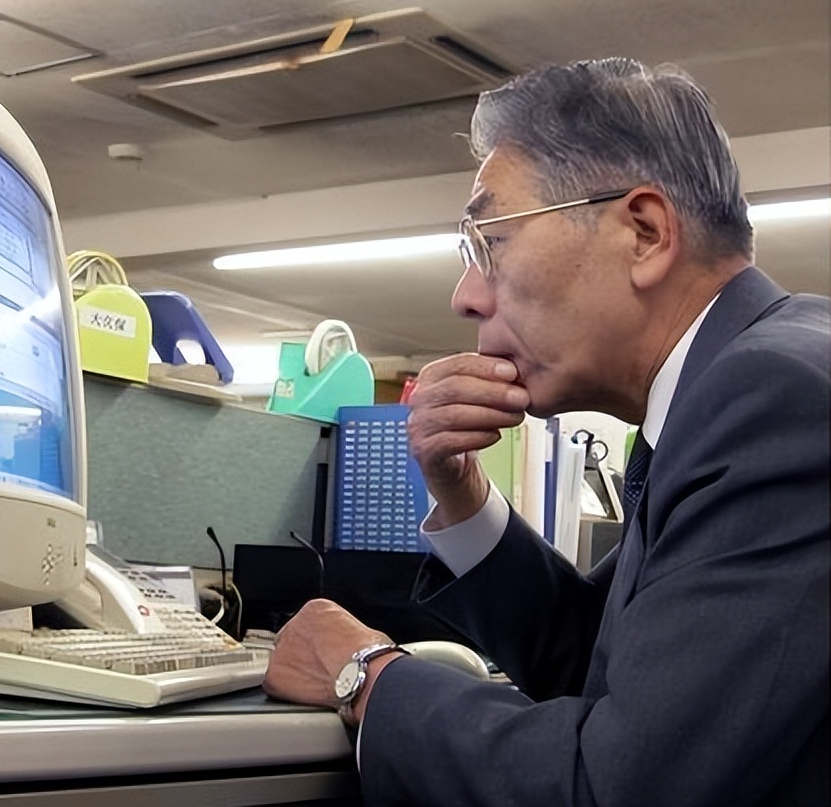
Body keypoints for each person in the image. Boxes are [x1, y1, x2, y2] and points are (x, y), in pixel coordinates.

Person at [262, 58, 829, 807]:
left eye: (489, 242)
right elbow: (604, 658)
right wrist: (461, 496)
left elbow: (620, 787)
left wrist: (365, 674)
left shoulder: (771, 399)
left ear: (645, 233)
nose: (465, 296)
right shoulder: (738, 380)